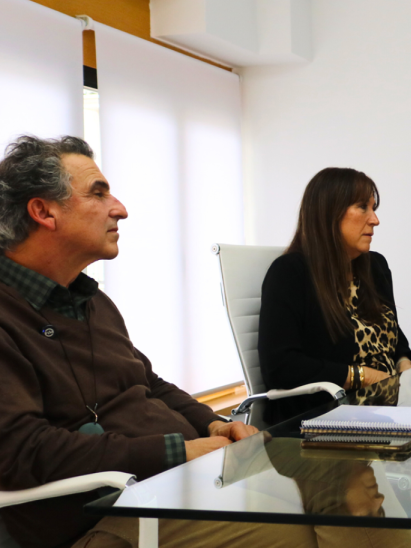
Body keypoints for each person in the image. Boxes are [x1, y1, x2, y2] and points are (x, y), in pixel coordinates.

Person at [0, 136, 261, 547]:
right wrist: (177, 452)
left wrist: (212, 424)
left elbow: (149, 384)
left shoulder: (91, 300)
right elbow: (21, 451)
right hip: (99, 517)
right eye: (98, 193)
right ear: (43, 211)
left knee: (337, 494)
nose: (120, 208)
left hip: (167, 490)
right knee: (314, 522)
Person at [258, 168, 411, 424]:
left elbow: (395, 342)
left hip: (393, 408)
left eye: (373, 208)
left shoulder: (375, 267)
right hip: (332, 419)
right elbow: (280, 366)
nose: (375, 220)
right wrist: (364, 376)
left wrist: (405, 366)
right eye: (362, 208)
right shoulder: (290, 273)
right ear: (329, 214)